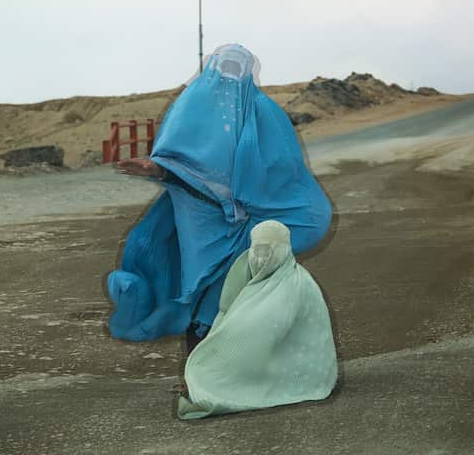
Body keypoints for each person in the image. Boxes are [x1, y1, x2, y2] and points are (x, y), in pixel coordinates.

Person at [106, 44, 332, 357]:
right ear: (213, 69)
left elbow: (284, 169)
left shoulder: (264, 113)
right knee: (198, 288)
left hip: (247, 224)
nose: (229, 78)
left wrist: (253, 198)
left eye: (236, 70)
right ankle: (199, 373)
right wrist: (156, 168)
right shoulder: (193, 105)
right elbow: (176, 158)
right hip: (199, 221)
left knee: (228, 289)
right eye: (224, 68)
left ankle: (220, 369)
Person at [175, 219, 337, 419]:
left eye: (269, 251)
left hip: (298, 369)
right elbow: (226, 313)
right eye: (257, 251)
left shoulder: (296, 284)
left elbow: (261, 329)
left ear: (284, 250)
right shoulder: (244, 271)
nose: (261, 259)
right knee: (207, 370)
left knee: (212, 377)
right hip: (264, 356)